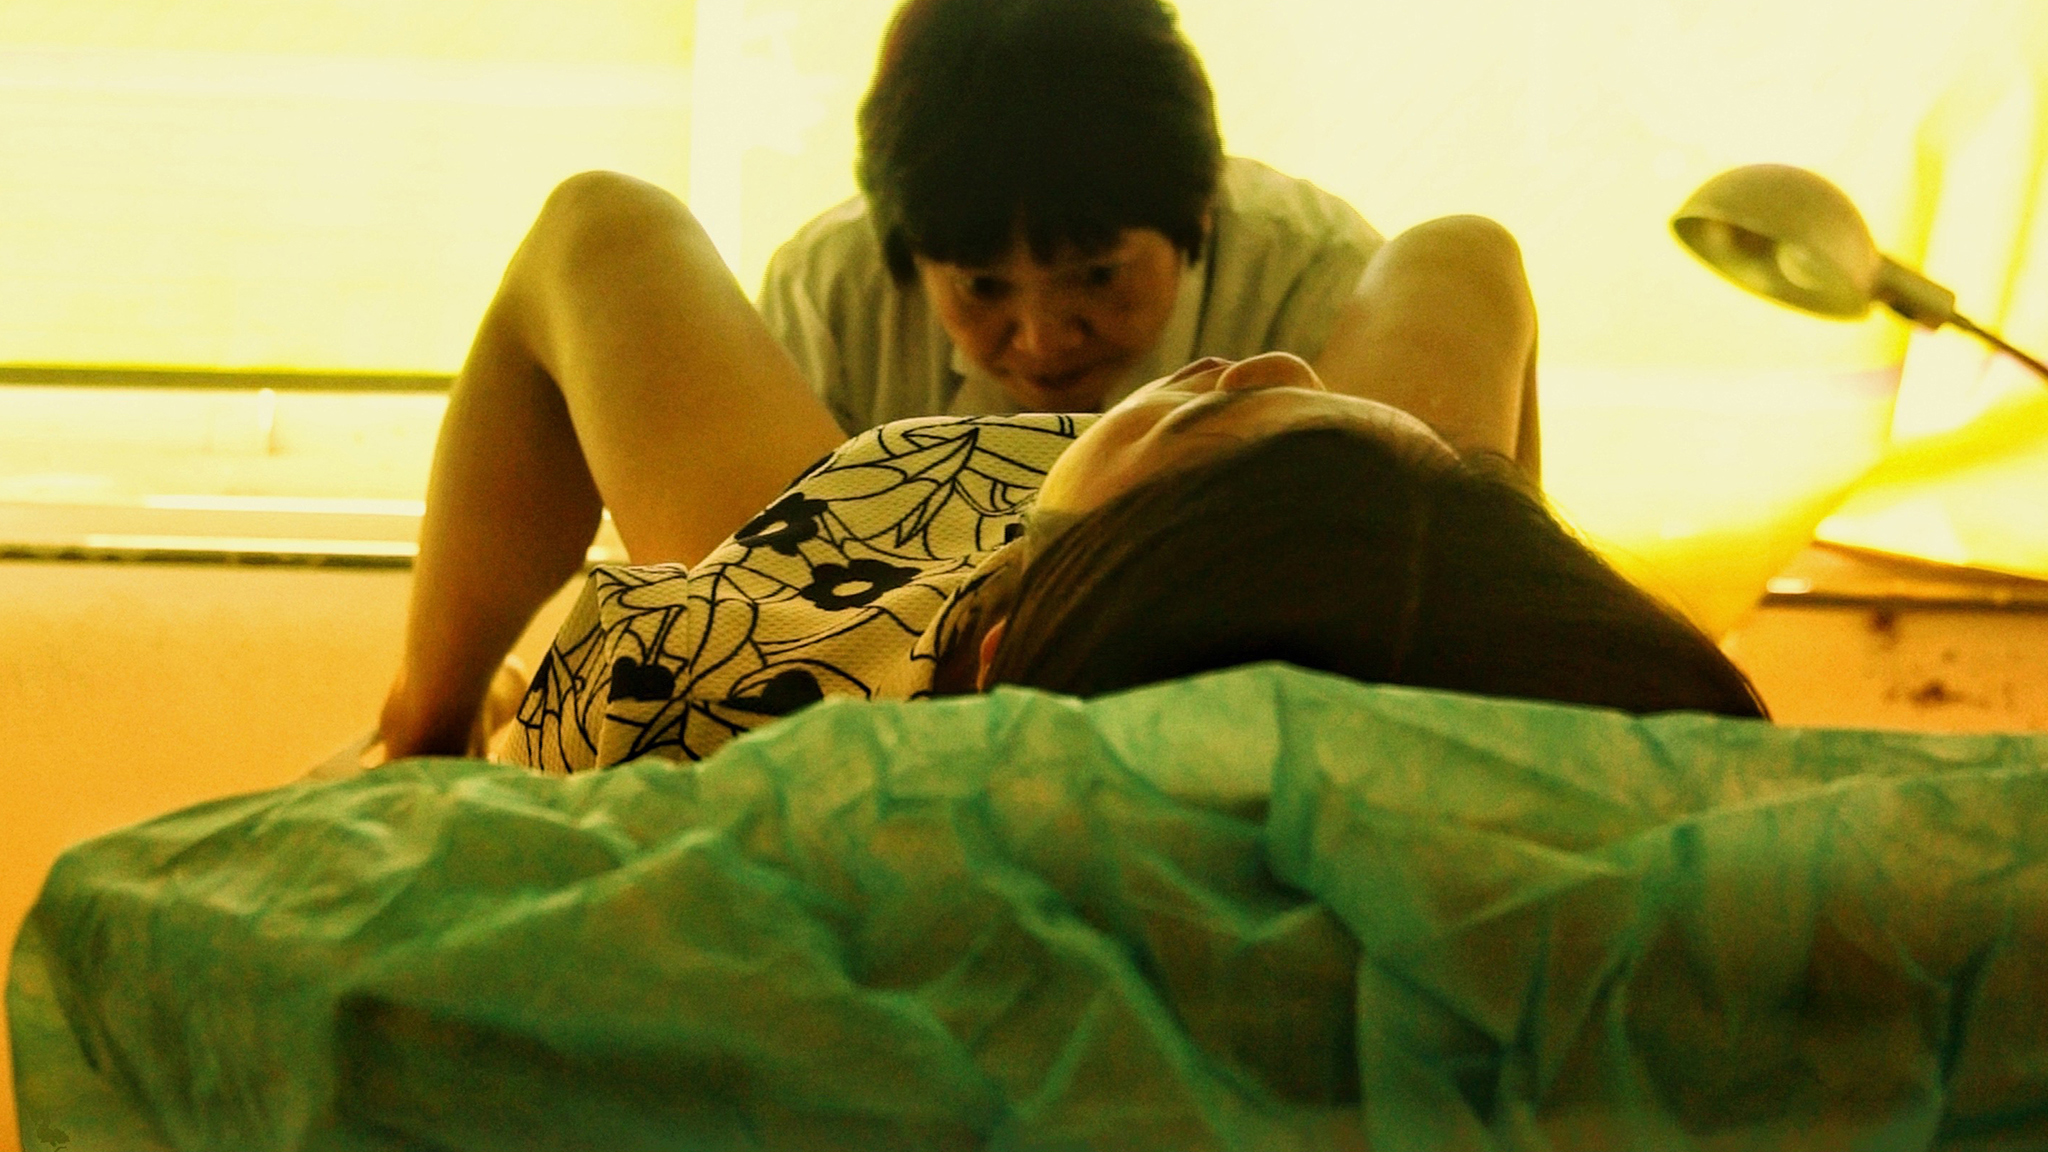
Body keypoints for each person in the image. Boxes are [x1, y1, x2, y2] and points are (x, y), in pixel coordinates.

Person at [378, 190, 1756, 765]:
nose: (1264, 362)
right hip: (1346, 559)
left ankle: (408, 721)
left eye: (1205, 413)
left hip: (881, 583)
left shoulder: (733, 685)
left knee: (601, 227)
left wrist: (431, 745)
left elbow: (592, 709)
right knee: (1461, 255)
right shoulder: (1430, 590)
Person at [756, 0, 1516, 452]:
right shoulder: (828, 293)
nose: (1043, 340)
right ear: (905, 251)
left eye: (1097, 275)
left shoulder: (1318, 280)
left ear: (1199, 209)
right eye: (982, 288)